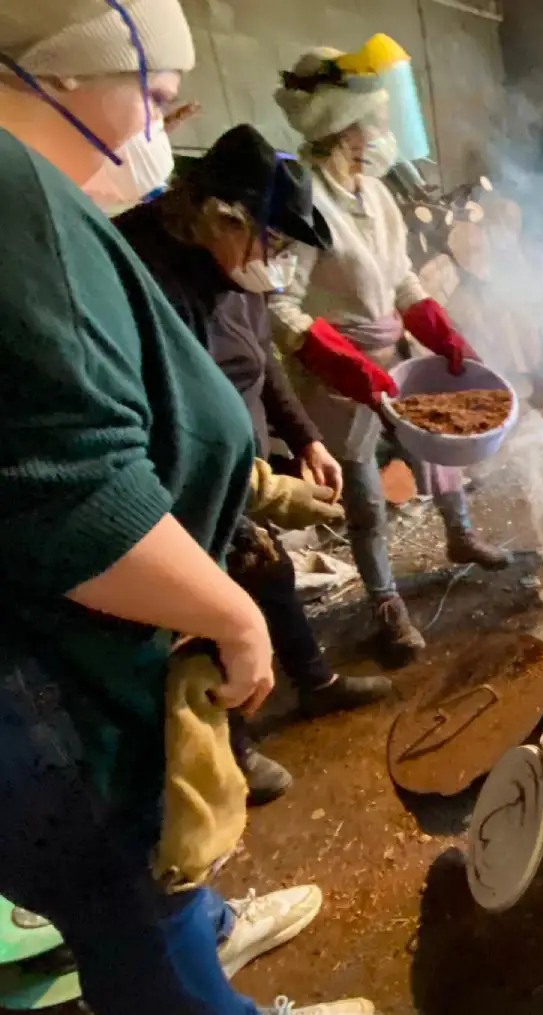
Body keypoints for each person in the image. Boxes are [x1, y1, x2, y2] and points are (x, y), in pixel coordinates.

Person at [0, 3, 372, 1013]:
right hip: (63, 686)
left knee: (163, 869)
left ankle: (209, 926)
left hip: (116, 639)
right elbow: (77, 490)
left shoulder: (62, 206)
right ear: (66, 74)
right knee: (134, 900)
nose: (164, 127)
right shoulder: (24, 206)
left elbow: (161, 413)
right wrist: (234, 614)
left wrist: (272, 473)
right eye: (158, 97)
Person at [112, 123, 395, 804]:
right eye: (272, 242)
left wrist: (307, 439)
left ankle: (315, 680)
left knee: (270, 569)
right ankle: (233, 747)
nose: (277, 262)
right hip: (179, 477)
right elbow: (166, 425)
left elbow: (262, 359)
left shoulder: (235, 266)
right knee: (209, 608)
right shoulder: (144, 275)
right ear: (222, 217)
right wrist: (259, 493)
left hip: (236, 461)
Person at [270, 38, 512, 659]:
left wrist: (437, 327)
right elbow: (279, 305)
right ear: (342, 128)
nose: (382, 135)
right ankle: (385, 602)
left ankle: (460, 535)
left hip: (388, 355)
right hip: (332, 369)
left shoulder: (375, 194)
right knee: (365, 493)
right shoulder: (302, 199)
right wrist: (335, 359)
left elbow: (401, 277)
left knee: (439, 448)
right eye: (373, 124)